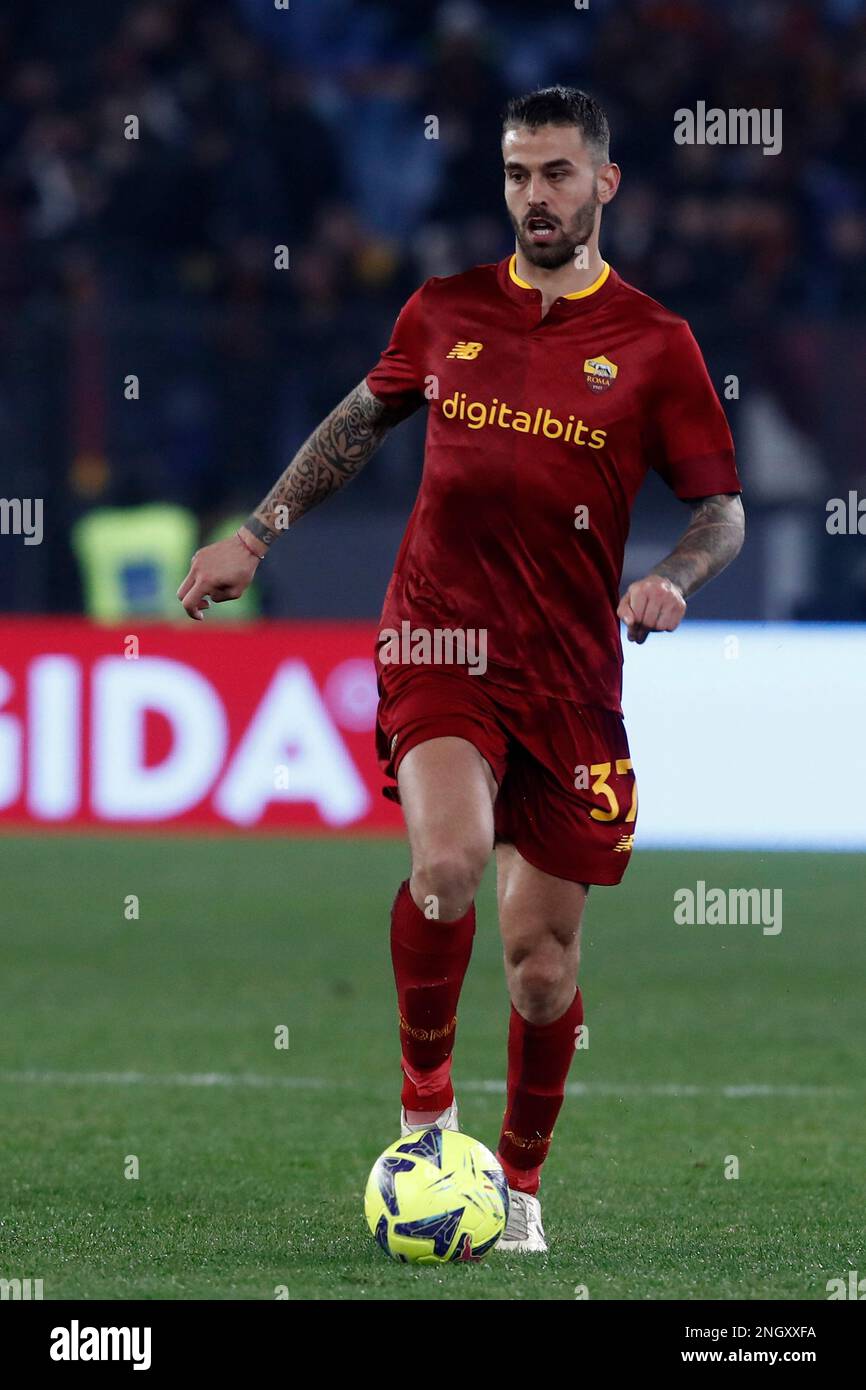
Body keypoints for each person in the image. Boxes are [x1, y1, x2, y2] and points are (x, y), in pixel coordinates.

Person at [178, 86, 745, 1254]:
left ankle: (520, 1181)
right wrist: (257, 531)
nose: (533, 197)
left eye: (554, 174)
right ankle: (424, 1121)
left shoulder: (654, 344)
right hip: (438, 643)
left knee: (541, 968)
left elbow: (720, 511)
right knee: (444, 860)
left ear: (603, 184)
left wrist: (673, 580)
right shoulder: (444, 310)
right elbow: (357, 419)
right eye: (515, 175)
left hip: (572, 679)